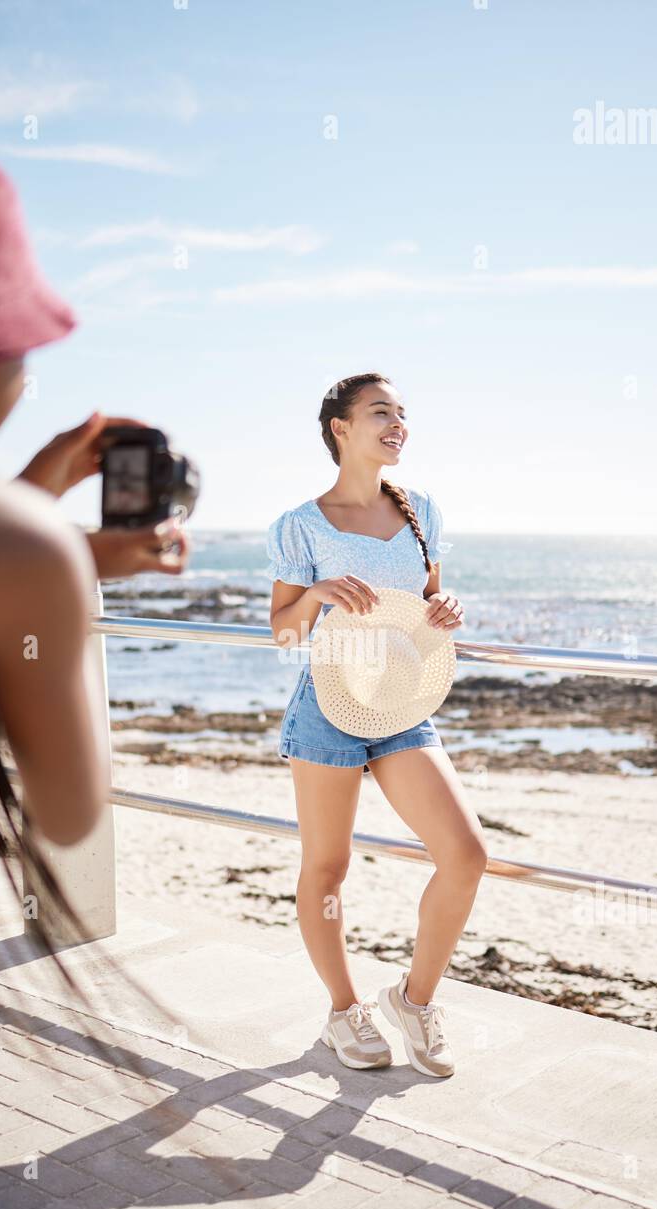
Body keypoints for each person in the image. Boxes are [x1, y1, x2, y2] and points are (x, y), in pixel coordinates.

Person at [0, 133, 189, 1138]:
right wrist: (53, 578)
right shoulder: (9, 548)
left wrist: (41, 527)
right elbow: (67, 815)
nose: (24, 376)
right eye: (17, 346)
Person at [266, 373, 489, 1079]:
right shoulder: (299, 523)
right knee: (327, 867)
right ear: (340, 427)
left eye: (401, 413)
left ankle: (414, 1001)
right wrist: (316, 596)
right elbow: (280, 631)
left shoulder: (420, 509)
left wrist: (446, 605)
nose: (397, 423)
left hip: (402, 702)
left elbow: (426, 601)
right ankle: (344, 1011)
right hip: (326, 704)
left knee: (465, 853)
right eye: (380, 412)